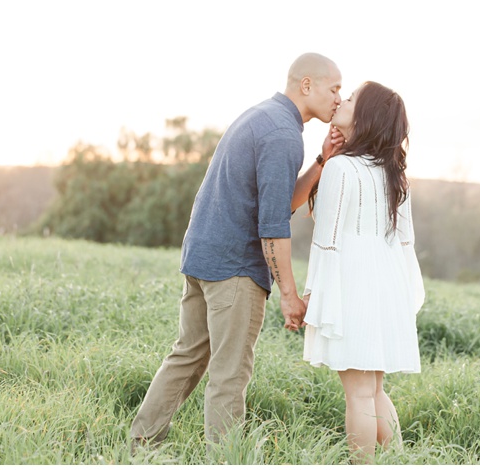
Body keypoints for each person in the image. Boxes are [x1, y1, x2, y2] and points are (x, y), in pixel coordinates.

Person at [130, 52, 344, 452]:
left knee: (187, 357)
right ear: (307, 86)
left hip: (203, 257)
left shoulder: (264, 117)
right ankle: (226, 459)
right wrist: (289, 296)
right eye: (334, 89)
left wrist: (320, 161)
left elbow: (279, 203)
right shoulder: (283, 135)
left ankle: (140, 448)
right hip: (235, 269)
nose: (338, 98)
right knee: (229, 376)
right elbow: (273, 227)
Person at [301, 81, 425, 464]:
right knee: (372, 390)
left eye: (352, 98)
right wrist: (408, 295)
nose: (343, 100)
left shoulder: (340, 168)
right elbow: (407, 243)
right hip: (387, 284)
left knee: (357, 392)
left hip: (352, 283)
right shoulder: (393, 173)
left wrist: (311, 294)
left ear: (365, 116)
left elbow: (327, 242)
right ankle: (397, 460)